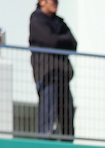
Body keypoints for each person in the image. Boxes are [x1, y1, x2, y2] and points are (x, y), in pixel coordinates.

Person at [28, 0, 76, 139]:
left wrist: (57, 40)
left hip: (63, 75)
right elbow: (51, 40)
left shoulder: (60, 22)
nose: (55, 3)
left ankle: (68, 143)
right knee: (48, 113)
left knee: (67, 114)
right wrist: (60, 40)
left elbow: (73, 43)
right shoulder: (36, 21)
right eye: (52, 1)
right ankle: (45, 142)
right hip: (47, 74)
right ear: (42, 2)